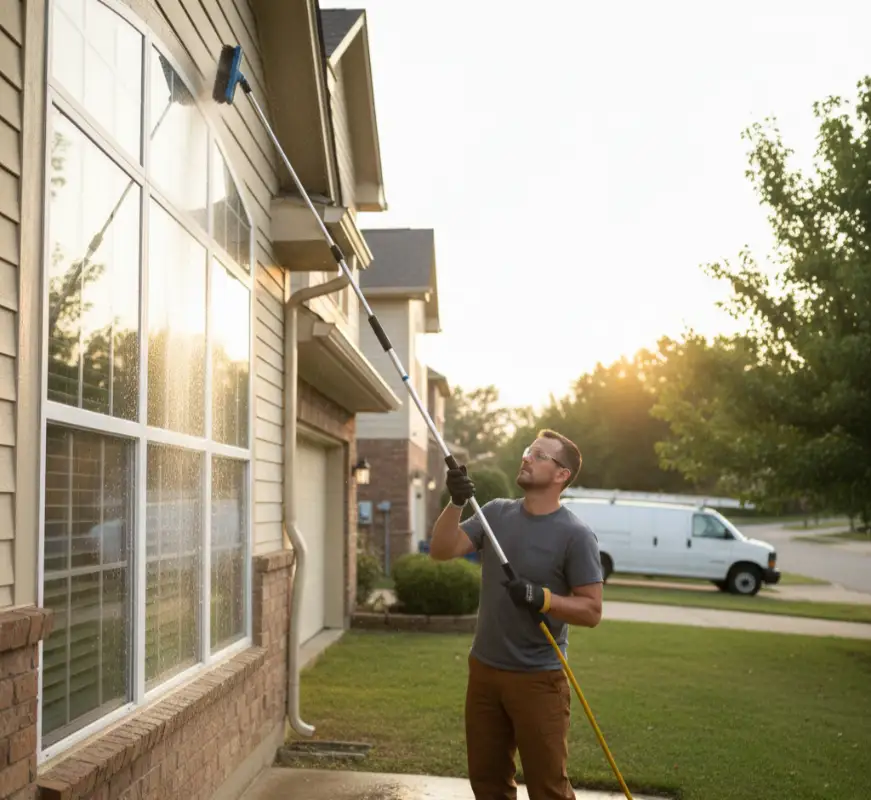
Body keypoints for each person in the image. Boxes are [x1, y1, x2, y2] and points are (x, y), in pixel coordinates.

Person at [429, 429, 603, 800]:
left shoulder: (576, 534)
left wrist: (541, 598)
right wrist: (456, 502)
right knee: (488, 783)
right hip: (485, 670)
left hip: (539, 679)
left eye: (539, 455)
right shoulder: (495, 513)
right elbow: (441, 549)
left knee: (548, 788)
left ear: (561, 475)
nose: (527, 458)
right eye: (528, 451)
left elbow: (591, 610)